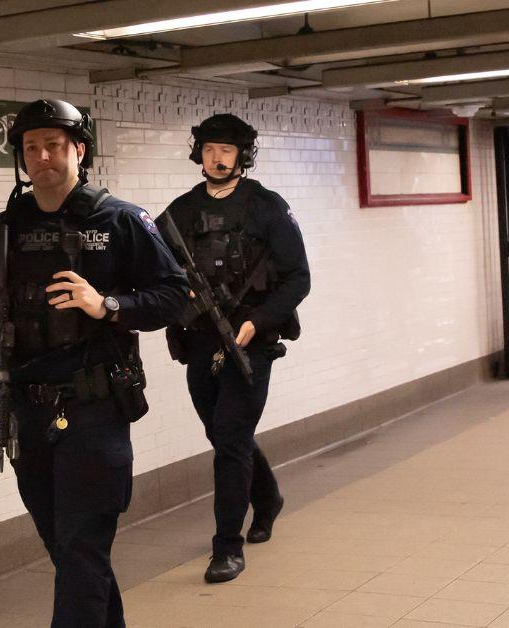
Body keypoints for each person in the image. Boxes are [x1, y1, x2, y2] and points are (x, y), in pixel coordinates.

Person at [0, 99, 188, 627]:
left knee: (82, 548)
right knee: (69, 552)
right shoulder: (2, 231)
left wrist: (108, 305)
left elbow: (175, 297)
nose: (42, 156)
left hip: (94, 408)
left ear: (79, 150)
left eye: (55, 145)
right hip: (26, 412)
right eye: (32, 148)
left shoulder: (121, 221)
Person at [160, 113, 310, 583]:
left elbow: (297, 278)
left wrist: (258, 320)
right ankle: (267, 498)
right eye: (208, 149)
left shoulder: (266, 207)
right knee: (225, 435)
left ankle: (227, 547)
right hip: (201, 342)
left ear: (242, 154)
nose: (217, 158)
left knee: (228, 439)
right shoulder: (180, 211)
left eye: (226, 150)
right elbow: (160, 277)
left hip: (252, 344)